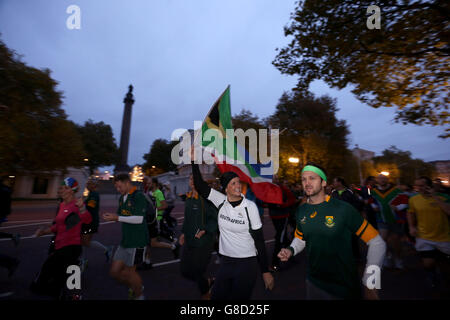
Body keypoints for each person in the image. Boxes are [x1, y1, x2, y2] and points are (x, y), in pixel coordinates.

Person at [278, 163, 386, 300]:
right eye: (303, 179)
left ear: (323, 182)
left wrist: (371, 282)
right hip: (313, 282)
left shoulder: (343, 209)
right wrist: (290, 250)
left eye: (312, 178)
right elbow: (300, 238)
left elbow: (377, 243)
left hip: (343, 287)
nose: (307, 183)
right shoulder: (301, 210)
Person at [190, 148, 274, 300]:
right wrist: (194, 160)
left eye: (238, 182)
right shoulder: (220, 201)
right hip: (226, 262)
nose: (237, 186)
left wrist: (265, 271)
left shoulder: (250, 207)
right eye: (233, 183)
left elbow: (259, 241)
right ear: (225, 188)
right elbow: (200, 185)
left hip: (247, 264)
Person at [31, 177, 92, 300]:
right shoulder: (62, 204)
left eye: (66, 188)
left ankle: (72, 295)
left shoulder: (76, 205)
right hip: (59, 245)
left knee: (55, 279)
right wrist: (43, 232)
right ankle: (65, 293)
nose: (62, 190)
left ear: (72, 190)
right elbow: (58, 227)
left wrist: (82, 208)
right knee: (47, 281)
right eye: (61, 187)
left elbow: (87, 220)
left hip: (70, 248)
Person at [103, 174, 149, 300]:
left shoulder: (138, 196)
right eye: (116, 187)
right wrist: (113, 216)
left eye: (119, 186)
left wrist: (117, 217)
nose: (118, 189)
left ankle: (139, 295)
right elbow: (122, 215)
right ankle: (135, 286)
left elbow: (139, 219)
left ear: (127, 182)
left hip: (138, 240)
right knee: (114, 272)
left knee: (130, 271)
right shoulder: (122, 198)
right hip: (126, 240)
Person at [179, 175, 218, 299]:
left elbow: (216, 219)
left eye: (194, 178)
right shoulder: (189, 197)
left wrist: (205, 230)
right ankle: (208, 282)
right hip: (190, 240)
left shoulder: (208, 199)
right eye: (190, 179)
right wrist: (183, 233)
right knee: (185, 271)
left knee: (197, 271)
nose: (192, 181)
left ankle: (206, 293)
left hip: (204, 242)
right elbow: (187, 219)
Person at [408, 176, 450, 289]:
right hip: (424, 236)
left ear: (429, 186)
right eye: (417, 186)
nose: (419, 188)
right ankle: (431, 274)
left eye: (422, 185)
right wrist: (411, 226)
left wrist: (435, 196)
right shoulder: (414, 199)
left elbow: (448, 211)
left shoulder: (445, 197)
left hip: (444, 237)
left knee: (445, 265)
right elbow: (410, 212)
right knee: (428, 263)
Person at [138, 178, 180, 271]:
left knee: (152, 242)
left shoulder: (158, 192)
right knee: (149, 242)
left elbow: (165, 205)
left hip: (156, 219)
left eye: (150, 183)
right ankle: (147, 262)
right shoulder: (149, 192)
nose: (148, 185)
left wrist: (153, 208)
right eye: (147, 183)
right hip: (150, 219)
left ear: (155, 184)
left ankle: (173, 245)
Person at [371, 174, 406, 269]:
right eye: (380, 179)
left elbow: (405, 201)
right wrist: (374, 206)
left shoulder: (396, 190)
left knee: (395, 241)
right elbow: (371, 201)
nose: (382, 180)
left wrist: (398, 207)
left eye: (384, 179)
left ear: (388, 180)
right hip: (381, 219)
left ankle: (398, 258)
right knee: (382, 240)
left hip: (395, 219)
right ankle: (388, 256)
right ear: (377, 180)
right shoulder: (374, 191)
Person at [79, 179, 113, 271]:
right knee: (84, 241)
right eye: (87, 183)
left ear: (93, 186)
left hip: (90, 221)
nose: (87, 185)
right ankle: (105, 250)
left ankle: (82, 260)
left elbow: (91, 206)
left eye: (89, 184)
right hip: (90, 221)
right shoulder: (91, 193)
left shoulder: (94, 194)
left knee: (84, 241)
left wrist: (81, 203)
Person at [267, 178, 298, 272]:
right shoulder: (268, 189)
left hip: (283, 216)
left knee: (279, 239)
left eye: (276, 178)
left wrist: (282, 205)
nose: (274, 180)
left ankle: (274, 264)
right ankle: (292, 253)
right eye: (272, 178)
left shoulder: (283, 188)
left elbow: (292, 200)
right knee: (282, 237)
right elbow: (265, 202)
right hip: (274, 217)